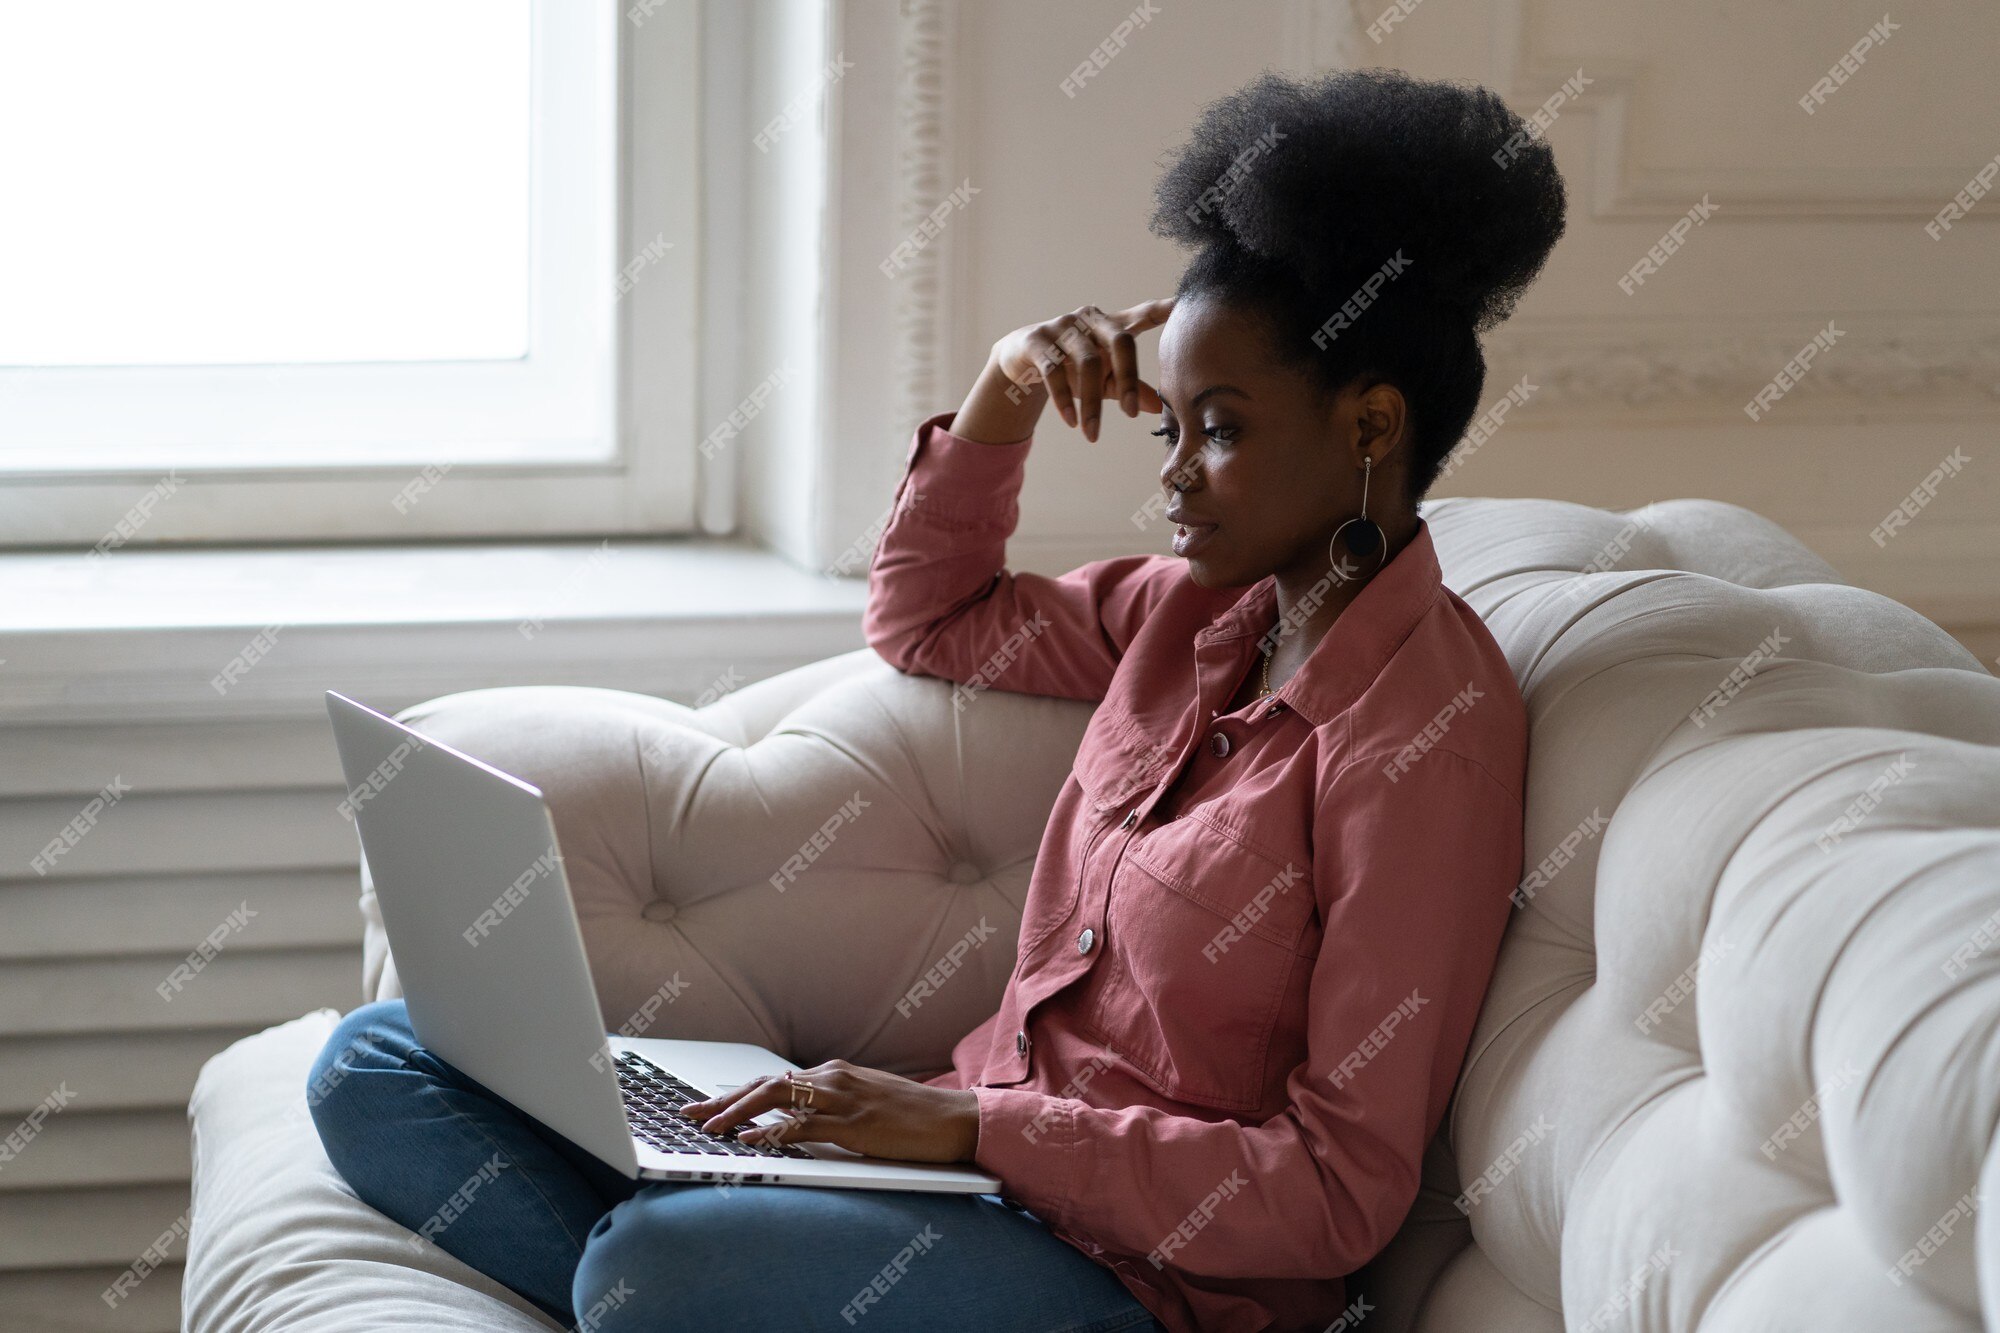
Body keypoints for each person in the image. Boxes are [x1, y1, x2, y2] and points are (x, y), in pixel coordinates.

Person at [309, 65, 1566, 1333]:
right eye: (1165, 431)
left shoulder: (1422, 741)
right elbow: (928, 621)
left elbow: (1334, 1194)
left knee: (655, 1265)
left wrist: (967, 1130)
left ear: (1371, 425)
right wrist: (1005, 389)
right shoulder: (1190, 610)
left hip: (1140, 1281)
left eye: (1220, 431)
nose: (1174, 479)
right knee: (378, 1064)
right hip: (955, 1178)